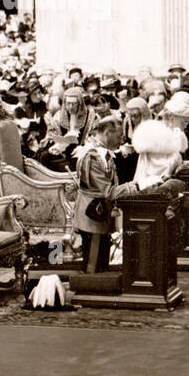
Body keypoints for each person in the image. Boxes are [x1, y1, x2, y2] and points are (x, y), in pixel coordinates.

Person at [74, 116, 138, 273]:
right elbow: (109, 192)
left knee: (101, 260)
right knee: (93, 265)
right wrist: (135, 186)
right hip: (92, 214)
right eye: (119, 136)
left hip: (100, 213)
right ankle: (91, 291)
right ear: (108, 133)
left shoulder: (101, 153)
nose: (121, 141)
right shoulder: (92, 157)